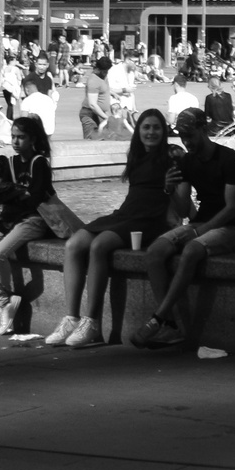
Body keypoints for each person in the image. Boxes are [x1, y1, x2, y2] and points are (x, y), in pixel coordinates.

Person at [49, 108, 180, 349]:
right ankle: (71, 317)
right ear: (138, 130)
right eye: (146, 127)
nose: (151, 132)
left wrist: (168, 190)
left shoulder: (172, 155)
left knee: (99, 245)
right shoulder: (136, 154)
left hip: (150, 220)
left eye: (156, 127)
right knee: (74, 243)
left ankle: (92, 323)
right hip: (127, 214)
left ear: (164, 131)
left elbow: (179, 200)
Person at [131, 108, 235, 351]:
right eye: (182, 137)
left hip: (230, 229)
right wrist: (169, 190)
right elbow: (185, 209)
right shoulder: (187, 161)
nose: (187, 142)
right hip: (201, 225)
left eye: (190, 136)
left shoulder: (230, 159)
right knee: (155, 251)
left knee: (191, 251)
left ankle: (158, 318)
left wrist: (199, 231)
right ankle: (171, 326)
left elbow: (231, 208)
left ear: (203, 130)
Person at [0, 115, 54, 335]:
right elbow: (2, 193)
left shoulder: (39, 162)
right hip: (11, 218)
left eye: (21, 137)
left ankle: (5, 305)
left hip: (34, 220)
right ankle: (5, 300)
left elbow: (35, 198)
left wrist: (15, 195)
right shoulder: (11, 162)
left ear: (32, 138)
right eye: (13, 136)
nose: (15, 142)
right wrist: (15, 195)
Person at [78, 58, 112, 139]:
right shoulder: (93, 80)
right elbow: (92, 104)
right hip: (90, 114)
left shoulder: (103, 77)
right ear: (98, 69)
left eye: (107, 71)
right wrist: (106, 117)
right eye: (104, 71)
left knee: (105, 140)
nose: (106, 73)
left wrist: (113, 94)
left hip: (101, 114)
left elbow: (103, 90)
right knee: (92, 140)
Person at [19, 75, 58, 139]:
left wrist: (20, 101)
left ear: (26, 90)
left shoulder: (27, 101)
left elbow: (23, 119)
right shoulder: (48, 99)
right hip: (50, 130)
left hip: (36, 132)